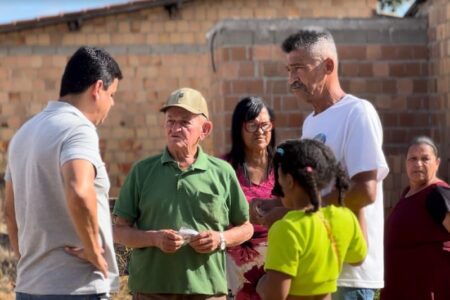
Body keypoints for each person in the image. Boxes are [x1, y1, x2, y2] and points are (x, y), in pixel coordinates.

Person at [253, 27, 389, 300]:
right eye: (289, 70)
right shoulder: (311, 122)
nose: (292, 79)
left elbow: (365, 191)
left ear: (328, 65)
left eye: (299, 68)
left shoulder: (357, 112)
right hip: (317, 272)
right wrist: (280, 204)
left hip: (349, 272)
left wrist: (294, 214)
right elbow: (312, 191)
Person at [4, 46, 123, 299]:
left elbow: (10, 213)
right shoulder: (79, 128)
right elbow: (79, 190)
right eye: (112, 95)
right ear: (97, 88)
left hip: (28, 286)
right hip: (76, 286)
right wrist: (92, 249)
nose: (112, 104)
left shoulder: (23, 134)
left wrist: (30, 262)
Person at [113, 87, 254, 300]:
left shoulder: (222, 173)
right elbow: (120, 230)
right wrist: (155, 239)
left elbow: (246, 227)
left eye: (184, 122)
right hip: (151, 291)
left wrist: (220, 238)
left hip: (207, 291)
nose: (175, 128)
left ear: (205, 129)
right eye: (170, 121)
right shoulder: (142, 171)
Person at [256, 139, 367, 300]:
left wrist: (263, 284)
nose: (278, 184)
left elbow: (275, 295)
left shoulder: (286, 229)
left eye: (279, 177)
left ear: (289, 180)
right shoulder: (344, 218)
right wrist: (359, 206)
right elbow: (358, 258)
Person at [381, 136, 450, 300]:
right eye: (413, 159)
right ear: (406, 163)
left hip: (429, 288)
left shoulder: (437, 194)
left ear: (437, 163)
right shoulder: (406, 195)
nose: (418, 164)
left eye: (425, 159)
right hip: (400, 287)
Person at [223, 96, 276, 300]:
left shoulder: (282, 166)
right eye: (252, 126)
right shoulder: (225, 168)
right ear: (239, 128)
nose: (260, 131)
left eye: (265, 125)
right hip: (238, 262)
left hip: (279, 257)